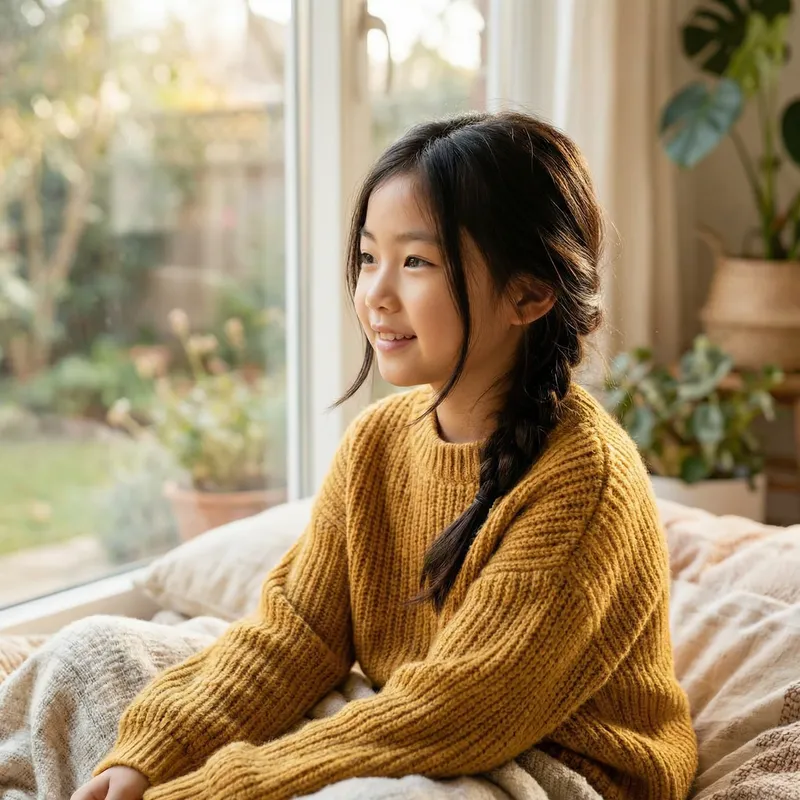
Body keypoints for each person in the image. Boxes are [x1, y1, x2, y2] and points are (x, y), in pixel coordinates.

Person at [71, 111, 698, 800]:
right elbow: (297, 634)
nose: (376, 294)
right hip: (397, 716)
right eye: (370, 257)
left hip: (552, 765)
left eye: (416, 261)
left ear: (530, 293)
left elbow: (457, 710)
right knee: (91, 654)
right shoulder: (378, 440)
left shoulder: (585, 482)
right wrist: (151, 754)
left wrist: (217, 787)